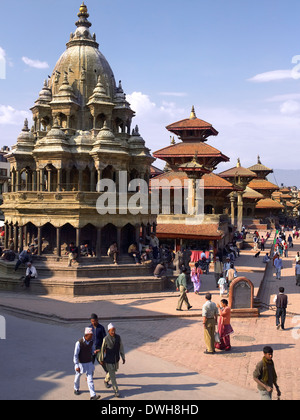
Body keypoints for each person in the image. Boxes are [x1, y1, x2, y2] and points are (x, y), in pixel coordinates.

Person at [73, 327, 100, 400]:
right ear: (86, 335)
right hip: (81, 363)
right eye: (91, 335)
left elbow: (92, 351)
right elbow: (75, 355)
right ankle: (76, 388)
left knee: (90, 379)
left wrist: (95, 352)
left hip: (89, 363)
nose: (92, 337)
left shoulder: (91, 342)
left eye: (92, 335)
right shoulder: (79, 343)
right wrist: (76, 365)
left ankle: (93, 395)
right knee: (77, 376)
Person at [99, 323, 125, 398]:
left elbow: (121, 347)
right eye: (111, 331)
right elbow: (102, 349)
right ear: (108, 331)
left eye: (114, 330)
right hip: (109, 360)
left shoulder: (118, 337)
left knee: (113, 371)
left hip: (116, 359)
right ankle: (116, 391)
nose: (113, 332)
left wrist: (123, 357)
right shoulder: (106, 339)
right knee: (113, 376)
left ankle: (106, 380)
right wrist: (101, 359)